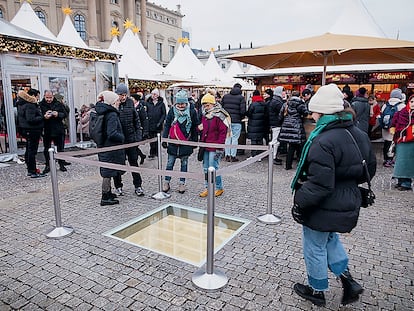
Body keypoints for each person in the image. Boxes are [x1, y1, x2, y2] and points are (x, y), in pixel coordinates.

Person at [291, 83, 377, 307]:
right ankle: (348, 280)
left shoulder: (323, 140)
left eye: (314, 110)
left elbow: (320, 184)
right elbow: (371, 169)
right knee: (330, 239)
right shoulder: (357, 132)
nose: (312, 114)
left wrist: (300, 202)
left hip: (324, 203)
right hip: (346, 199)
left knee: (314, 245)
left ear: (324, 111)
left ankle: (316, 290)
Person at [161, 90, 198, 194]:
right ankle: (166, 182)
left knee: (184, 164)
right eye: (179, 103)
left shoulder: (192, 111)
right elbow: (167, 124)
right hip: (173, 142)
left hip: (185, 142)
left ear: (186, 103)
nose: (181, 106)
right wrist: (164, 138)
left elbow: (194, 127)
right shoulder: (172, 111)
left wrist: (195, 141)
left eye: (183, 103)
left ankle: (182, 183)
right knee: (169, 163)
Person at [95, 91, 125, 206]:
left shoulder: (102, 111)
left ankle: (109, 193)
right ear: (112, 102)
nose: (118, 102)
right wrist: (122, 137)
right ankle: (105, 196)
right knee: (108, 172)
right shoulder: (111, 114)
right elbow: (112, 133)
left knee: (108, 170)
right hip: (110, 147)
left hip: (104, 145)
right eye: (117, 100)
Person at [114, 83, 144, 197]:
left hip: (130, 138)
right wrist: (115, 108)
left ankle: (138, 186)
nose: (122, 97)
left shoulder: (130, 103)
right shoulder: (114, 104)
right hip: (118, 140)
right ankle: (118, 186)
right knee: (118, 164)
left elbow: (137, 120)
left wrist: (138, 136)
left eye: (124, 94)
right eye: (120, 94)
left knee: (133, 163)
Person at [198, 93, 230, 198]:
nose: (205, 107)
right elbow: (203, 130)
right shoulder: (205, 115)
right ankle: (207, 187)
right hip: (206, 145)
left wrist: (220, 147)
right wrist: (199, 129)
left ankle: (219, 188)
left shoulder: (219, 115)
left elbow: (222, 132)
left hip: (215, 146)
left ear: (212, 103)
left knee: (214, 167)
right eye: (204, 105)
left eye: (207, 105)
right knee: (205, 168)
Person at [16, 88, 46, 178]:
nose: (38, 98)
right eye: (38, 96)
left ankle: (30, 169)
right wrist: (43, 117)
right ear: (33, 96)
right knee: (32, 151)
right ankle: (32, 171)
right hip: (32, 130)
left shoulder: (21, 103)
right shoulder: (30, 105)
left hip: (27, 130)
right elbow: (31, 119)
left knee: (29, 150)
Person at [39, 90, 68, 173]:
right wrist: (44, 117)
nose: (49, 99)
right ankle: (48, 165)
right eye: (47, 97)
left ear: (53, 96)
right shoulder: (40, 105)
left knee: (60, 148)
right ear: (44, 96)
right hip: (47, 130)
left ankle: (61, 164)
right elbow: (38, 117)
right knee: (47, 149)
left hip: (58, 129)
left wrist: (58, 114)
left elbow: (65, 114)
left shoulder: (58, 104)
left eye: (50, 97)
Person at [278, 91, 308, 170]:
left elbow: (280, 115)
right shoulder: (300, 104)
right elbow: (306, 113)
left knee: (291, 147)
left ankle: (288, 165)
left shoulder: (286, 103)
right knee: (299, 146)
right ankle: (301, 166)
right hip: (296, 126)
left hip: (287, 125)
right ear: (299, 96)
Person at [390, 94, 414, 191]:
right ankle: (400, 180)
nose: (413, 104)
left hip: (411, 141)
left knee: (408, 162)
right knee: (400, 161)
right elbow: (394, 123)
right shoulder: (402, 112)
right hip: (400, 140)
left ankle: (406, 183)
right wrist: (393, 129)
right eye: (412, 102)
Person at [381, 88, 406, 167]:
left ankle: (386, 159)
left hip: (386, 128)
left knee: (386, 143)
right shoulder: (402, 106)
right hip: (396, 128)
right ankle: (391, 159)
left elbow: (381, 115)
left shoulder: (385, 105)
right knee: (394, 143)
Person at [221, 83, 246, 162]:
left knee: (227, 138)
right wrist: (241, 117)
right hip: (237, 121)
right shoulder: (241, 98)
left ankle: (227, 155)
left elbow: (222, 109)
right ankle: (233, 155)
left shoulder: (225, 97)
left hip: (227, 121)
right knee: (235, 138)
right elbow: (243, 111)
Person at [145, 88, 166, 158]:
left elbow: (164, 114)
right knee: (151, 139)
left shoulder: (161, 104)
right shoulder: (148, 103)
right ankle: (152, 152)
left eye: (154, 94)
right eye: (152, 94)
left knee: (157, 139)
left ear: (157, 95)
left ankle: (157, 152)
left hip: (158, 124)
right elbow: (146, 112)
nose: (153, 96)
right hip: (150, 124)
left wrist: (160, 122)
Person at [246, 90, 267, 157]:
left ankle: (254, 155)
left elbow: (249, 113)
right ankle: (260, 155)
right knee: (260, 139)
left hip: (253, 124)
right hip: (262, 124)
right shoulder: (264, 103)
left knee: (254, 140)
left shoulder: (253, 104)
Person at [131, 93, 149, 165]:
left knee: (134, 146)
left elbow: (144, 120)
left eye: (133, 99)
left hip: (139, 129)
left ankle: (139, 157)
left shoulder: (141, 108)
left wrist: (145, 131)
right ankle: (142, 156)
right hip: (132, 129)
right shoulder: (131, 107)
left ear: (136, 100)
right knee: (133, 146)